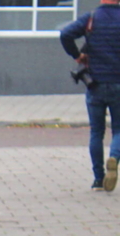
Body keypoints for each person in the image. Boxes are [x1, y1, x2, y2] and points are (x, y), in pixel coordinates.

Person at [61, 0, 120, 191]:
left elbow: (65, 34)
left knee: (96, 132)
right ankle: (114, 157)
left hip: (95, 83)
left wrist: (77, 56)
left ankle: (98, 179)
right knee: (118, 130)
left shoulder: (92, 18)